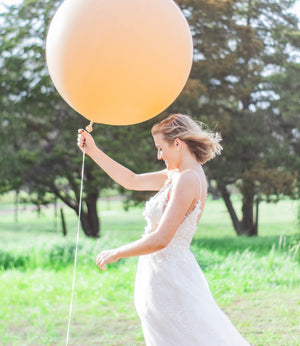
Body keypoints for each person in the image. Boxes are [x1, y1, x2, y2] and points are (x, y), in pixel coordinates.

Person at [77, 113, 250, 346]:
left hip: (170, 279)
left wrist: (117, 252)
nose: (159, 155)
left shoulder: (188, 179)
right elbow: (132, 180)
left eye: (160, 148)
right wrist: (93, 152)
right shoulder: (177, 175)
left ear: (177, 144)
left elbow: (161, 239)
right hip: (160, 274)